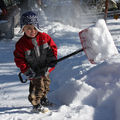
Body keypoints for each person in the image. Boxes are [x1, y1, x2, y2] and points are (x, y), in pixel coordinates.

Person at [13, 11, 57, 113]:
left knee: (46, 84)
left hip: (45, 68)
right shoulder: (21, 44)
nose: (32, 31)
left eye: (34, 28)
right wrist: (27, 71)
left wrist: (52, 59)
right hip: (33, 70)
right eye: (29, 28)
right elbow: (19, 60)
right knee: (38, 88)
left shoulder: (44, 37)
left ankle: (43, 99)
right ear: (23, 29)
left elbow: (52, 49)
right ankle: (36, 104)